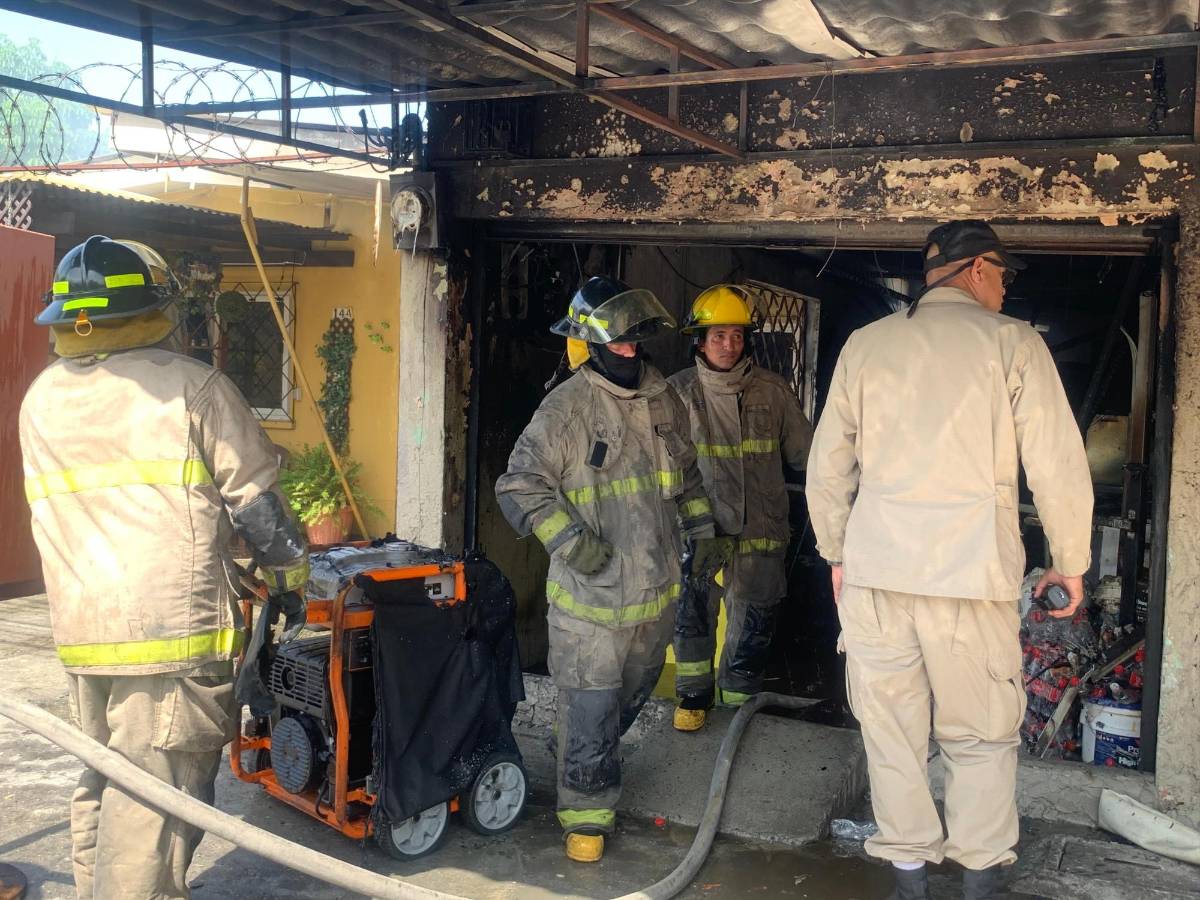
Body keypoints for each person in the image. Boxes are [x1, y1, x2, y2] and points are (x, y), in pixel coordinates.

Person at [806, 221, 1094, 900]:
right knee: (981, 740)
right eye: (1004, 275)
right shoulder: (1013, 345)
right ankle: (978, 885)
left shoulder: (867, 346)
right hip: (971, 579)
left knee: (893, 738)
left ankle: (909, 882)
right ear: (976, 270)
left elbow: (828, 468)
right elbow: (1055, 463)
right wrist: (1070, 563)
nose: (1005, 289)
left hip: (877, 579)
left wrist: (837, 553)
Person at [19, 235, 309, 899]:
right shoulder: (191, 388)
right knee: (157, 805)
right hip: (170, 642)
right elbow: (260, 508)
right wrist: (291, 581)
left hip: (84, 640)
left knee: (106, 780)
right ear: (155, 308)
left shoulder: (41, 400)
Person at [495, 275, 715, 862]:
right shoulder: (567, 408)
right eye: (614, 340)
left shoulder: (664, 397)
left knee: (630, 696)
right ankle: (586, 818)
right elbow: (518, 485)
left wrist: (703, 531)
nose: (626, 348)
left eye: (632, 337)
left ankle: (580, 755)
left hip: (655, 594)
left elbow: (686, 479)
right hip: (591, 603)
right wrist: (571, 543)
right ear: (590, 344)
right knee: (592, 706)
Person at [668, 284, 813, 731]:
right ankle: (692, 697)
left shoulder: (772, 390)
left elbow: (806, 455)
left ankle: (739, 701)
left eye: (736, 335)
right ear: (699, 340)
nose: (728, 345)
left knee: (754, 617)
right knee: (692, 614)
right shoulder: (675, 393)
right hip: (699, 529)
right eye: (718, 336)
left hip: (760, 529)